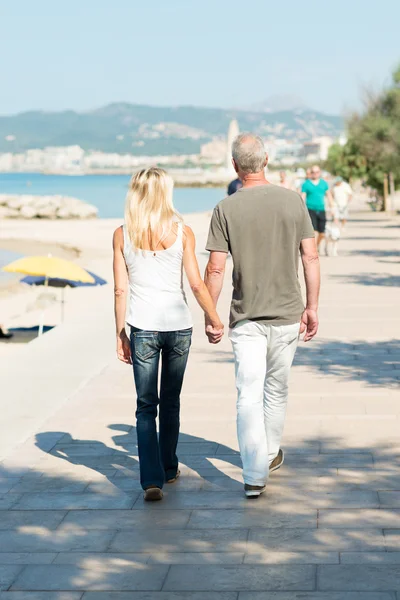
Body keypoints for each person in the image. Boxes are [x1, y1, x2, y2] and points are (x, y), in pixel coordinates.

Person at [204, 133, 320, 498]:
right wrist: (312, 306)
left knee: (248, 394)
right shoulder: (292, 201)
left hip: (247, 318)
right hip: (287, 315)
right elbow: (310, 257)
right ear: (266, 160)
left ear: (235, 166)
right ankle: (268, 453)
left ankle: (254, 474)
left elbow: (216, 269)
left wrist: (211, 314)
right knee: (276, 389)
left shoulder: (226, 209)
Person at [113, 167, 223, 502]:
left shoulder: (122, 234)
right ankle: (169, 467)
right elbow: (195, 283)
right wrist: (214, 318)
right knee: (171, 400)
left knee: (146, 405)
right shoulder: (182, 232)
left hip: (142, 326)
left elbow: (120, 290)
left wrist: (120, 333)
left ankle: (151, 480)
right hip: (178, 326)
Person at [301, 165, 334, 253]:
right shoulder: (306, 184)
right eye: (313, 172)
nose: (315, 174)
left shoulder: (323, 183)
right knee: (314, 231)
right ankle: (313, 250)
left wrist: (332, 207)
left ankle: (317, 245)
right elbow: (303, 197)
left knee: (322, 233)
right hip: (310, 209)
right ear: (310, 173)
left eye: (317, 172)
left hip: (321, 209)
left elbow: (329, 195)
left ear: (319, 173)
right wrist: (301, 208)